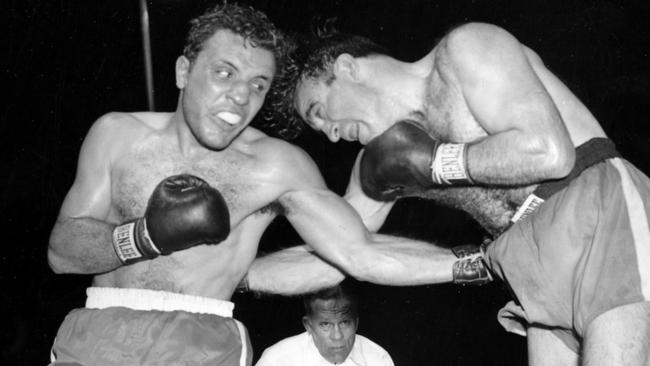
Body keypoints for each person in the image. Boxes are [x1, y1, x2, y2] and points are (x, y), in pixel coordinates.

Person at [46, 4, 488, 365]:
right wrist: (144, 236)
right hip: (99, 328)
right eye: (224, 73)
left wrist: (486, 262)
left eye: (257, 84)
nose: (241, 97)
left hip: (202, 340)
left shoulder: (278, 166)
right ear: (184, 71)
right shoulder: (117, 135)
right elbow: (62, 253)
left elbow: (358, 252)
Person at [265, 23, 650, 365]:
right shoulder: (378, 162)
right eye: (320, 130)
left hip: (594, 212)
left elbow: (550, 151)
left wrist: (436, 164)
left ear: (348, 67)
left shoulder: (464, 51)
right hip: (526, 257)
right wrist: (233, 272)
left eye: (319, 111)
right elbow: (348, 253)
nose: (330, 133)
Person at [255, 281, 394, 366]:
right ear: (308, 325)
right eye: (325, 324)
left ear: (356, 323)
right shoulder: (277, 361)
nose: (337, 336)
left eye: (344, 322)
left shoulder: (377, 358)